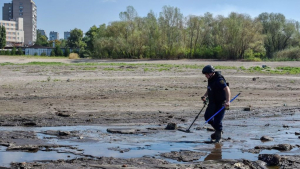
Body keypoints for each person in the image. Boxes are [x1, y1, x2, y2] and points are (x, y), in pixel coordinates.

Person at [201, 65, 231, 143]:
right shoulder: (210, 79)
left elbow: (227, 89)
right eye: (205, 74)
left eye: (207, 74)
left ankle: (218, 138)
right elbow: (209, 88)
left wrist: (228, 101)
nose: (206, 76)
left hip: (221, 103)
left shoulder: (219, 79)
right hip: (212, 102)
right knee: (207, 117)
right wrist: (204, 96)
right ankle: (218, 131)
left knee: (217, 121)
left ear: (212, 73)